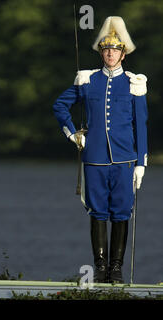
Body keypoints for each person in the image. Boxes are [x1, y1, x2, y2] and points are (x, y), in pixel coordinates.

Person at [53, 16, 148, 283]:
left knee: (121, 211)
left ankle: (116, 268)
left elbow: (141, 125)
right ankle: (101, 266)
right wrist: (72, 134)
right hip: (94, 157)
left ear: (123, 53)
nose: (110, 53)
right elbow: (59, 106)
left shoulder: (133, 83)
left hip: (124, 158)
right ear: (101, 52)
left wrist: (141, 162)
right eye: (106, 49)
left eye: (115, 49)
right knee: (97, 212)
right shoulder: (87, 80)